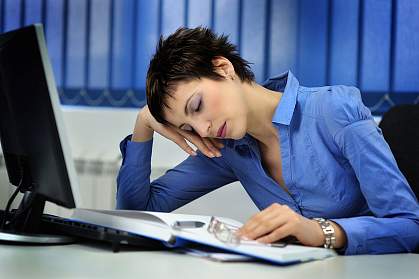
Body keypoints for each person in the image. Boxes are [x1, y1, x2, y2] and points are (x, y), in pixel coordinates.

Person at [116, 27, 419, 255]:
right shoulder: (228, 149)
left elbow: (409, 225)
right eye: (188, 126)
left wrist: (321, 232)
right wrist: (144, 122)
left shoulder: (333, 110)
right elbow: (136, 210)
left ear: (224, 69)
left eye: (197, 107)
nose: (202, 129)